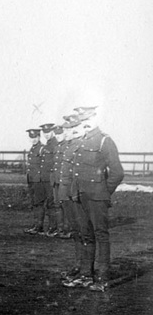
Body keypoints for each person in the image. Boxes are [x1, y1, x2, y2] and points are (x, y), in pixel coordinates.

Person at [65, 106, 124, 292]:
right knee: (86, 236)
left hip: (97, 198)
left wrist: (103, 192)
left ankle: (103, 277)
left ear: (97, 118)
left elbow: (117, 173)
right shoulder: (81, 141)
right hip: (81, 196)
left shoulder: (104, 141)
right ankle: (85, 275)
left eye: (89, 118)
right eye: (83, 120)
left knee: (101, 235)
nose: (85, 123)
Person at [58, 117, 86, 285]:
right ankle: (78, 265)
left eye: (69, 129)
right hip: (66, 194)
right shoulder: (68, 146)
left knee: (82, 231)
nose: (65, 132)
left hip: (75, 194)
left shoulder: (79, 146)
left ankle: (84, 269)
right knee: (76, 232)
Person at [23, 128, 47, 235]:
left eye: (35, 137)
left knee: (39, 203)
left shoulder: (42, 149)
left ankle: (39, 226)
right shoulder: (32, 149)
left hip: (39, 180)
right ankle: (36, 225)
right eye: (31, 138)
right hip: (32, 179)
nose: (33, 140)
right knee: (34, 203)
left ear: (39, 137)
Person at [39, 123, 60, 236]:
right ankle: (52, 226)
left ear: (52, 132)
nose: (46, 135)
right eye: (44, 133)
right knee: (49, 203)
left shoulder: (55, 144)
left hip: (51, 178)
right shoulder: (48, 144)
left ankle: (55, 227)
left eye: (48, 132)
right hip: (46, 178)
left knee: (52, 203)